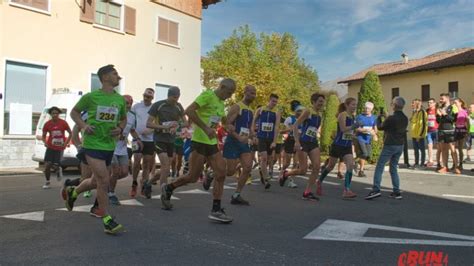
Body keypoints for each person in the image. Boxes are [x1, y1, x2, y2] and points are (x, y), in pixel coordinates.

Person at [160, 78, 236, 223]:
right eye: (229, 92)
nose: (229, 95)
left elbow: (222, 119)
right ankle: (169, 187)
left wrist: (227, 126)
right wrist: (205, 128)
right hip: (199, 141)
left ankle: (216, 209)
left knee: (221, 173)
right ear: (222, 86)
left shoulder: (221, 103)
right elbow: (189, 110)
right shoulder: (207, 95)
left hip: (211, 142)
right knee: (192, 177)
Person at [65, 64, 127, 234]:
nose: (118, 76)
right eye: (115, 73)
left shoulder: (120, 100)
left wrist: (120, 129)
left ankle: (73, 192)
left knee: (95, 181)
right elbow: (74, 113)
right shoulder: (91, 97)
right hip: (92, 145)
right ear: (105, 77)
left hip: (109, 146)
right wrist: (84, 126)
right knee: (104, 179)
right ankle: (106, 218)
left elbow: (123, 119)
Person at [279, 93, 326, 201]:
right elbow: (295, 126)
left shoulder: (320, 115)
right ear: (313, 102)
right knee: (303, 170)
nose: (321, 103)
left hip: (313, 142)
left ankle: (307, 192)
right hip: (303, 141)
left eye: (323, 102)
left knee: (317, 167)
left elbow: (314, 129)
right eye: (319, 101)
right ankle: (286, 174)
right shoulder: (308, 111)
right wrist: (296, 142)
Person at [143, 86, 186, 199]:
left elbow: (185, 123)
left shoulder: (178, 106)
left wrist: (177, 125)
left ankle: (148, 183)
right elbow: (148, 124)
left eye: (177, 97)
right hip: (159, 139)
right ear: (169, 95)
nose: (175, 100)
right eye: (174, 97)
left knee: (165, 168)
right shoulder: (158, 105)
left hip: (171, 140)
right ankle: (164, 194)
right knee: (166, 165)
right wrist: (163, 127)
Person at [365, 97, 408, 200]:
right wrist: (387, 117)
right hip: (400, 145)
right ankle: (396, 191)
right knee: (393, 168)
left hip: (390, 144)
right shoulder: (405, 118)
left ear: (394, 105)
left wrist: (379, 118)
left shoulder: (391, 118)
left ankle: (376, 190)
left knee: (380, 166)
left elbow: (380, 127)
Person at [317, 97, 358, 199]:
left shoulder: (353, 116)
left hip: (347, 146)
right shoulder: (342, 115)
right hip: (338, 145)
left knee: (350, 166)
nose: (354, 107)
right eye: (353, 104)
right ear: (347, 105)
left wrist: (353, 136)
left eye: (355, 105)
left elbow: (349, 132)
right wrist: (353, 127)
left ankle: (347, 190)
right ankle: (319, 181)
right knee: (330, 166)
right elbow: (343, 129)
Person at [223, 85, 256, 205]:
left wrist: (253, 136)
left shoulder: (251, 111)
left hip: (243, 143)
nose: (253, 95)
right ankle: (211, 174)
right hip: (233, 141)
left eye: (254, 93)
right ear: (245, 92)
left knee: (247, 167)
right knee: (230, 172)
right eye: (251, 93)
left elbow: (250, 128)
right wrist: (238, 137)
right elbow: (227, 125)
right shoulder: (237, 107)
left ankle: (236, 195)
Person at [109, 95, 141, 205]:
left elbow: (132, 130)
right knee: (116, 171)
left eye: (129, 103)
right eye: (125, 102)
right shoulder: (114, 113)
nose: (127, 105)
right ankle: (111, 193)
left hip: (122, 148)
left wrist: (137, 139)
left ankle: (107, 184)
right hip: (111, 147)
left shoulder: (132, 116)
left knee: (124, 172)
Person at [252, 94, 281, 189]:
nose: (274, 103)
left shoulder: (277, 112)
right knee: (263, 158)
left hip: (270, 138)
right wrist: (254, 135)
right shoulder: (260, 110)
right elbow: (253, 122)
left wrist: (274, 141)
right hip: (261, 137)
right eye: (273, 101)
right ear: (269, 100)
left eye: (276, 102)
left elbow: (276, 127)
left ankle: (262, 170)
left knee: (270, 159)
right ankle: (266, 179)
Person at [130, 88, 155, 197]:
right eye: (145, 95)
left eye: (149, 97)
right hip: (137, 138)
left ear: (152, 98)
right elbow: (130, 120)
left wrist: (151, 130)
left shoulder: (154, 108)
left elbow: (158, 124)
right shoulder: (136, 107)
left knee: (146, 164)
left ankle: (144, 185)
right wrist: (133, 134)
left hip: (149, 140)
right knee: (136, 162)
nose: (146, 98)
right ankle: (134, 183)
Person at [42, 106, 72, 188]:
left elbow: (70, 133)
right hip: (50, 147)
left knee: (55, 165)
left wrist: (65, 143)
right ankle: (47, 182)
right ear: (50, 114)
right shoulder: (47, 124)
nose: (55, 115)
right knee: (47, 165)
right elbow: (43, 136)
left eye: (56, 113)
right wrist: (45, 142)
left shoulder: (63, 123)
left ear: (58, 114)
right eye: (53, 113)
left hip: (60, 148)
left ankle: (58, 169)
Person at [436, 93, 459, 174]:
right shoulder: (440, 108)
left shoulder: (453, 107)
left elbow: (454, 120)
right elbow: (438, 121)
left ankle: (456, 166)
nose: (440, 100)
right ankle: (445, 167)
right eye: (440, 98)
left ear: (447, 98)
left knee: (453, 150)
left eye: (442, 98)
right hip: (441, 131)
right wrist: (438, 115)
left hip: (450, 131)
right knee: (443, 149)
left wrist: (445, 114)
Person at [354, 102, 378, 177]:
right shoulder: (359, 117)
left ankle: (355, 162)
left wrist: (374, 133)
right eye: (365, 108)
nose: (366, 109)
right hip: (360, 137)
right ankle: (361, 171)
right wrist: (366, 130)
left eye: (368, 108)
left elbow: (375, 128)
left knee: (368, 155)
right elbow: (357, 128)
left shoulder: (374, 117)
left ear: (371, 109)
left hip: (368, 138)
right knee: (364, 153)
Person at [409, 99, 427, 168]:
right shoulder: (414, 112)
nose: (412, 105)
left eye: (413, 103)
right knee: (415, 150)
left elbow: (423, 124)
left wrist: (420, 135)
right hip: (414, 134)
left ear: (417, 104)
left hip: (419, 135)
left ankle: (422, 163)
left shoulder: (422, 112)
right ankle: (416, 163)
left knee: (422, 149)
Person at [453, 98, 468, 169]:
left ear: (460, 103)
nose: (454, 104)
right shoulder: (454, 112)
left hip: (462, 130)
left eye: (456, 102)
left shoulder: (464, 111)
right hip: (455, 130)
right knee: (453, 148)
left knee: (460, 148)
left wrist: (467, 131)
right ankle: (454, 163)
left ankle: (461, 164)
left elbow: (467, 122)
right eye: (454, 103)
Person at [425, 98, 439, 167]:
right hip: (429, 131)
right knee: (429, 146)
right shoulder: (427, 111)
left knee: (438, 146)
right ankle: (430, 160)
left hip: (436, 130)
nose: (429, 104)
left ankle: (439, 160)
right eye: (428, 102)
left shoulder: (437, 110)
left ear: (434, 103)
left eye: (431, 102)